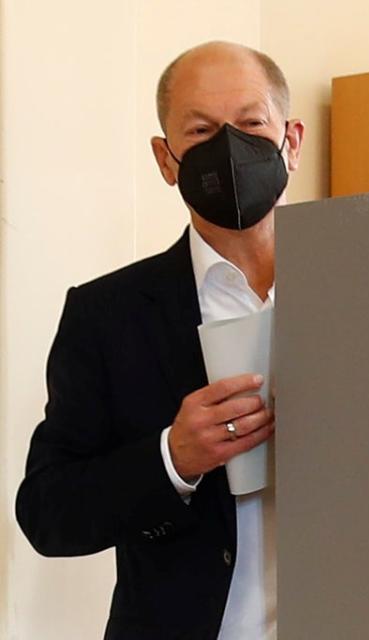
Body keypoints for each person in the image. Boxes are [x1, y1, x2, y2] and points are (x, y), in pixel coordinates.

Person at [15, 41, 304, 639]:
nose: (229, 148)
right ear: (166, 159)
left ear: (291, 140)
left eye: (252, 123)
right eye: (200, 131)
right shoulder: (107, 314)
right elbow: (48, 511)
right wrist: (172, 458)